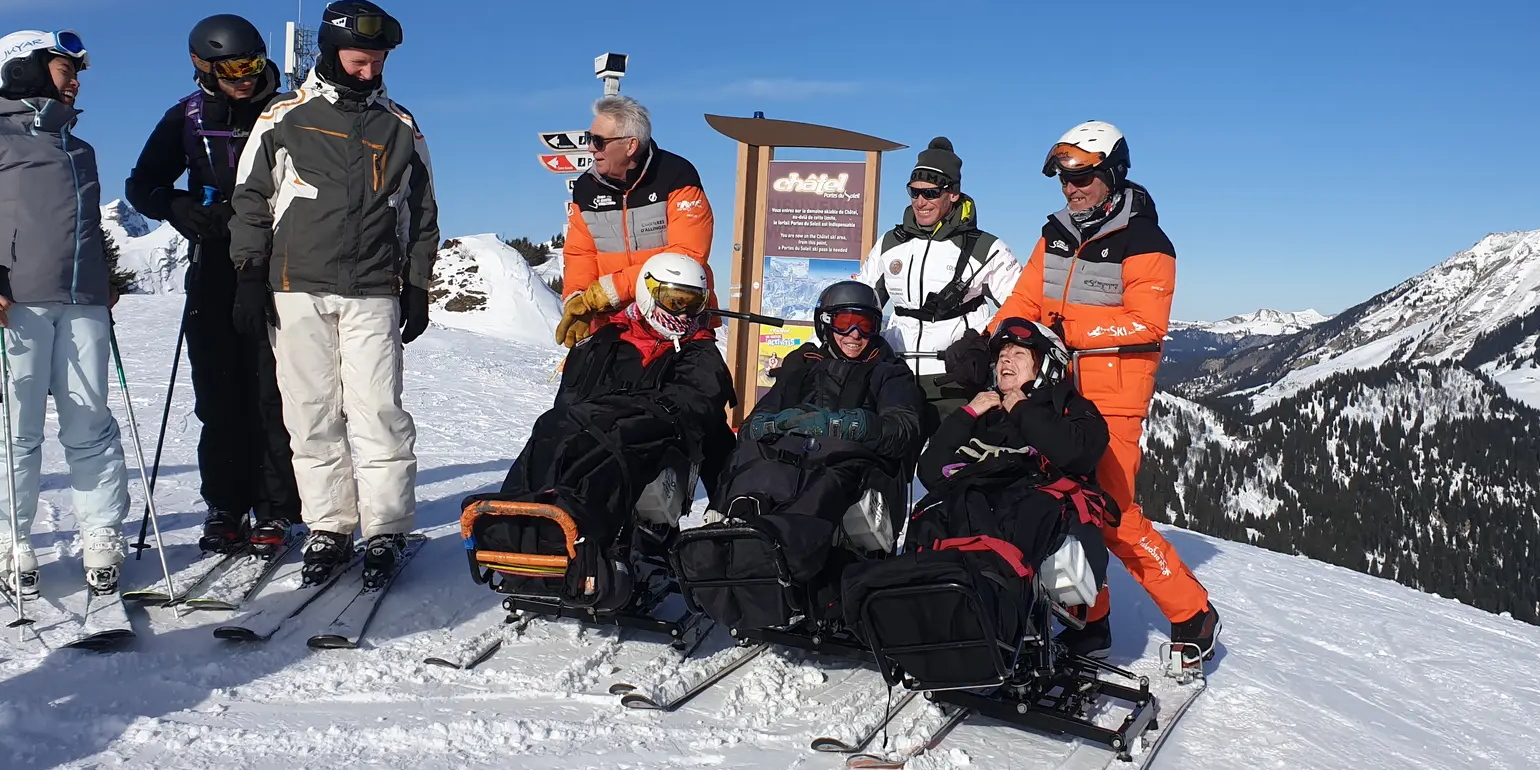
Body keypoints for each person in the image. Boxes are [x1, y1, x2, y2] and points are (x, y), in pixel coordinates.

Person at [961, 120, 1219, 664]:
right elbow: (1025, 301)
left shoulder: (1146, 240)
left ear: (1113, 174)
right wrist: (989, 341)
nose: (1072, 188)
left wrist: (1061, 331)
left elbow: (1145, 324)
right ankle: (1088, 617)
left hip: (1113, 400)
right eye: (1064, 179)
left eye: (1083, 177)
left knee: (1112, 514)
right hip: (1053, 393)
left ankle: (1192, 611)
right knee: (1059, 510)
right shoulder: (1054, 233)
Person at [229, 0, 439, 586]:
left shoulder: (400, 126)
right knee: (311, 413)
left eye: (377, 62)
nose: (370, 71)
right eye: (359, 60)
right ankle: (328, 525)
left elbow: (421, 212)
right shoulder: (282, 118)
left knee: (378, 411)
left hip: (373, 288)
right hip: (295, 289)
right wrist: (248, 274)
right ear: (328, 51)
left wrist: (417, 284)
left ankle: (387, 529)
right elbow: (250, 200)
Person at [0, 30, 130, 595]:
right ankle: (7, 541)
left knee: (90, 424)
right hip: (10, 304)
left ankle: (101, 533)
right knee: (15, 431)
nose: (77, 80)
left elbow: (81, 230)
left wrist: (100, 280)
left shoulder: (78, 147)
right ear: (24, 72)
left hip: (83, 304)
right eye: (67, 69)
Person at [841, 318, 1115, 684]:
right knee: (932, 517)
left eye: (1019, 354)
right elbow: (931, 471)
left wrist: (1024, 409)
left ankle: (989, 621)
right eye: (1002, 353)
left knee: (1017, 522)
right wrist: (967, 414)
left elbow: (1075, 453)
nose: (1006, 360)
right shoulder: (984, 412)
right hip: (972, 497)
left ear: (1046, 365)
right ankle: (915, 615)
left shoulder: (1071, 408)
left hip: (1027, 503)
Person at [468, 252, 735, 610]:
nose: (684, 313)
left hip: (659, 449)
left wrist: (724, 505)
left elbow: (699, 410)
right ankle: (519, 527)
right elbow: (570, 402)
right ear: (648, 293)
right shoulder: (605, 343)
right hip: (596, 430)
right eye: (675, 300)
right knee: (551, 428)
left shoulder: (700, 354)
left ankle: (595, 544)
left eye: (693, 302)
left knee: (609, 451)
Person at [126, 14, 301, 555]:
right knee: (219, 388)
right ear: (202, 66)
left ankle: (277, 507)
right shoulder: (188, 116)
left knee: (277, 388)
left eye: (252, 64)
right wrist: (176, 206)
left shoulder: (290, 111)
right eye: (232, 69)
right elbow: (143, 183)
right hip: (215, 264)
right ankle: (226, 503)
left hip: (283, 264)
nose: (246, 78)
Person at [674, 281, 923, 632]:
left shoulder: (888, 372)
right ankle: (727, 538)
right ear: (825, 323)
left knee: (823, 486)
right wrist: (770, 425)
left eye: (864, 325)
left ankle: (777, 554)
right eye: (844, 322)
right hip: (788, 454)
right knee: (751, 460)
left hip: (847, 460)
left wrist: (839, 425)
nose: (854, 334)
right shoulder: (803, 366)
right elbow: (755, 422)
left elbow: (904, 428)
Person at [859, 136, 1022, 433]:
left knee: (950, 469)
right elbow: (858, 303)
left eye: (931, 193)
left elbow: (1020, 307)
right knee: (894, 467)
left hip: (955, 382)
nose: (921, 202)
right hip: (897, 377)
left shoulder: (987, 248)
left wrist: (980, 344)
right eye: (914, 192)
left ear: (953, 194)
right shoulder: (889, 244)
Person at [554, 95, 713, 349]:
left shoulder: (677, 176)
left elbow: (687, 255)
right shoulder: (586, 188)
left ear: (630, 145)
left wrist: (608, 292)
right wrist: (578, 297)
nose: (591, 148)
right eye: (588, 138)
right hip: (611, 327)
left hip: (676, 323)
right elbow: (580, 253)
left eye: (598, 141)